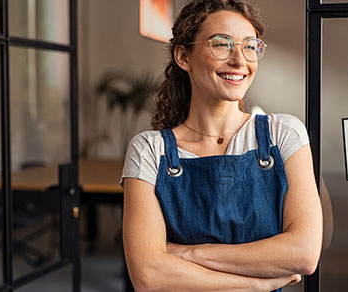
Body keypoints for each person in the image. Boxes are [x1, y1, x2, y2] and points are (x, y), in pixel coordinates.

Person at [120, 0, 322, 291]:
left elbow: (303, 253)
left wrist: (186, 253)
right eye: (222, 44)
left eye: (250, 46)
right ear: (183, 56)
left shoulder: (283, 133)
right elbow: (148, 276)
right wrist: (256, 286)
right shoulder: (149, 150)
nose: (240, 60)